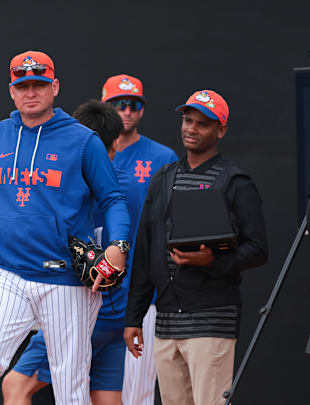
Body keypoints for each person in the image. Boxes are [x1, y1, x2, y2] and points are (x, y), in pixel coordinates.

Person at [0, 50, 130, 405]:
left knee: (69, 384)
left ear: (54, 86)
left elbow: (113, 198)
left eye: (39, 84)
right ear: (12, 91)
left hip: (64, 276)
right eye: (22, 85)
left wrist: (118, 245)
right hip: (7, 271)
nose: (30, 92)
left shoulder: (83, 140)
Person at [124, 90, 268, 405]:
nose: (191, 129)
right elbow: (146, 250)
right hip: (165, 322)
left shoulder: (235, 182)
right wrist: (134, 317)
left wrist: (212, 261)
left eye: (202, 124)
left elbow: (258, 248)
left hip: (211, 320)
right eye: (188, 120)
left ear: (220, 131)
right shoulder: (163, 178)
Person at [2, 100, 144, 405]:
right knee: (105, 399)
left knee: (15, 387)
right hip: (117, 310)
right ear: (116, 142)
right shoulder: (129, 189)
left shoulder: (71, 187)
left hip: (80, 310)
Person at [101, 74, 178, 405]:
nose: (125, 111)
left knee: (137, 390)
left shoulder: (161, 157)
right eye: (118, 104)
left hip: (141, 288)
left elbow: (175, 221)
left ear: (141, 111)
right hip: (92, 286)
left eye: (132, 105)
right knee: (79, 382)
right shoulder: (88, 151)